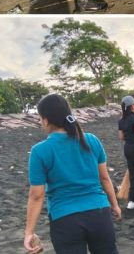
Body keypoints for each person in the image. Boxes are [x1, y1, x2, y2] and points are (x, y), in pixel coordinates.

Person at [24, 94, 120, 254]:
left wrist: (29, 232)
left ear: (46, 120)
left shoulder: (40, 151)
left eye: (40, 119)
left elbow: (36, 195)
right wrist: (115, 204)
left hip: (65, 219)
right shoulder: (92, 140)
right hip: (100, 213)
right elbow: (104, 178)